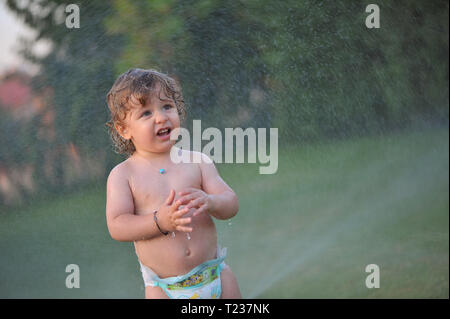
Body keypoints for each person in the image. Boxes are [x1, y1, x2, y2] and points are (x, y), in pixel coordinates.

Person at [105, 68, 241, 299]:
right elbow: (118, 225)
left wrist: (211, 201)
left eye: (167, 106)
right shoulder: (123, 175)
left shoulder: (197, 161)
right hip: (165, 290)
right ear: (124, 129)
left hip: (216, 275)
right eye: (146, 113)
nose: (161, 117)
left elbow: (231, 203)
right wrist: (160, 221)